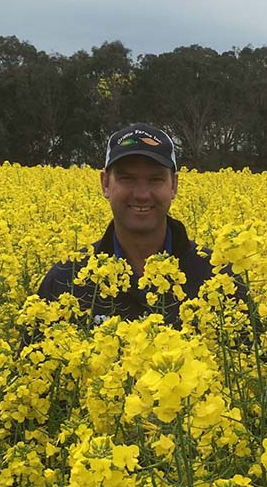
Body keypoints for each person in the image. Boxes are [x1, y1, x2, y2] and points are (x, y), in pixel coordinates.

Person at [34, 123, 215, 331]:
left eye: (155, 179)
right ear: (105, 184)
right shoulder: (66, 277)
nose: (141, 194)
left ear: (174, 185)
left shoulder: (214, 275)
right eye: (126, 178)